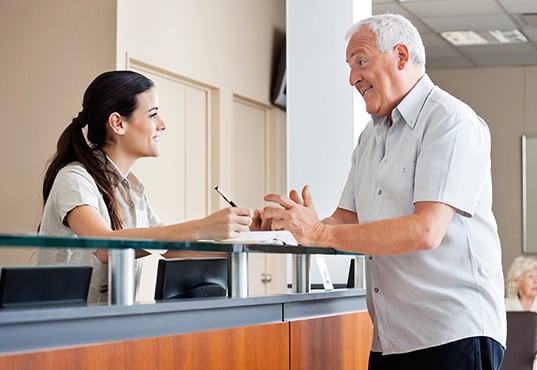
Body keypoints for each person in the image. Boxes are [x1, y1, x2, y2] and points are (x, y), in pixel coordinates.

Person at [262, 13, 506, 370]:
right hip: (392, 338)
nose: (352, 78)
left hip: (452, 333)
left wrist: (318, 232)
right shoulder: (371, 136)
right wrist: (290, 227)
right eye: (349, 66)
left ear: (402, 57)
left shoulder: (450, 122)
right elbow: (344, 220)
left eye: (360, 62)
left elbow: (426, 230)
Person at [35, 70, 255, 303]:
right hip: (60, 327)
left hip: (106, 323)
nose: (162, 125)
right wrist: (201, 227)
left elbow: (173, 250)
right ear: (118, 123)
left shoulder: (133, 190)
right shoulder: (74, 178)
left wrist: (249, 237)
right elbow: (105, 247)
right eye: (153, 115)